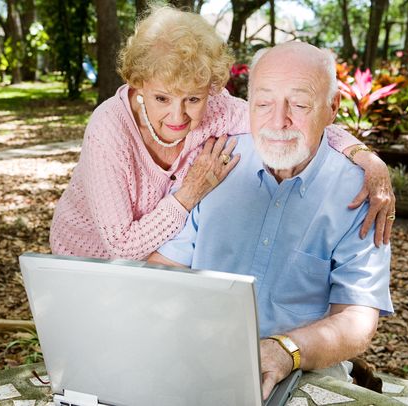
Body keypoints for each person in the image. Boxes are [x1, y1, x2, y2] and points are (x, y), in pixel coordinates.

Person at [50, 6, 394, 261]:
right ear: (138, 85)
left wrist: (366, 157)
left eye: (193, 98)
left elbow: (291, 124)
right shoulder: (109, 127)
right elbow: (120, 247)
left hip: (154, 260)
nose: (178, 115)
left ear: (211, 89)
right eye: (161, 98)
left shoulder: (218, 110)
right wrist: (190, 192)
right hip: (84, 258)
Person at [149, 42, 393, 399]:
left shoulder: (361, 193)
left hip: (301, 368)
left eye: (299, 104)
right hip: (195, 355)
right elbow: (164, 267)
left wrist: (287, 350)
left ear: (332, 108)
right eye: (263, 104)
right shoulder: (215, 162)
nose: (278, 121)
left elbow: (358, 317)